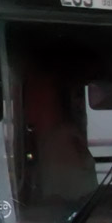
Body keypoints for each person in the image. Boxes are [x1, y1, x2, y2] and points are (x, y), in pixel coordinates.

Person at [25, 72, 97, 203]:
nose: (30, 108)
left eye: (38, 100)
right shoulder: (59, 137)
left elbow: (64, 197)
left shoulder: (60, 141)